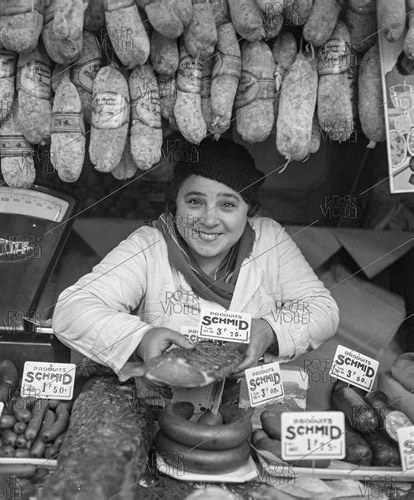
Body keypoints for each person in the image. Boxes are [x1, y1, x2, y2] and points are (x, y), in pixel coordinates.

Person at [52, 138, 339, 385]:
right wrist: (141, 339)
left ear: (248, 209)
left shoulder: (268, 238)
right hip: (162, 411)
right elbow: (71, 310)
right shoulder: (150, 244)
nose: (209, 219)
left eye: (228, 204)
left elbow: (322, 310)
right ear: (174, 202)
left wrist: (268, 331)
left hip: (248, 415)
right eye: (194, 202)